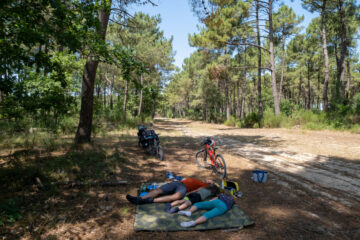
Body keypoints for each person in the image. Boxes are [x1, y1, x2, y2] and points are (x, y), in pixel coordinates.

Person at [126, 178, 213, 205]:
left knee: (176, 197)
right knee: (158, 190)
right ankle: (139, 199)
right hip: (178, 183)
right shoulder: (199, 180)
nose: (209, 180)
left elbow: (198, 190)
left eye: (211, 181)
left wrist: (188, 194)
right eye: (209, 179)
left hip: (183, 188)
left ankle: (147, 200)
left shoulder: (205, 186)